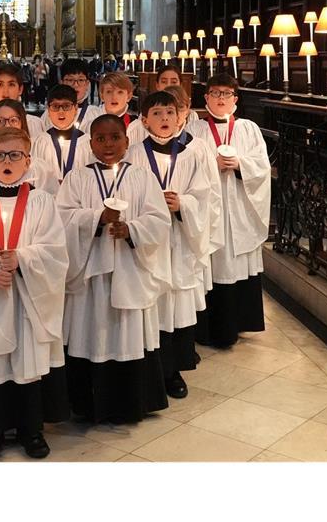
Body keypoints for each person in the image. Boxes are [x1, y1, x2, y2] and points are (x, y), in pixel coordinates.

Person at [0, 127, 70, 460]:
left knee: (26, 365)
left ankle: (30, 430)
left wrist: (23, 259)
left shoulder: (42, 201)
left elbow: (55, 249)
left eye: (15, 155)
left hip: (28, 300)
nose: (7, 162)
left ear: (29, 161)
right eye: (0, 156)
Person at [56, 114, 171, 423]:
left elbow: (159, 219)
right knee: (90, 332)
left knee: (127, 333)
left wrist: (131, 230)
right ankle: (87, 404)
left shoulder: (143, 177)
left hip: (129, 269)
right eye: (101, 139)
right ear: (90, 143)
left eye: (115, 137)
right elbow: (63, 218)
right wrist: (96, 219)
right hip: (91, 276)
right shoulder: (76, 178)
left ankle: (130, 403)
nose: (108, 144)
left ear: (126, 141)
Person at [125, 90, 221, 398]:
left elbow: (204, 196)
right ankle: (149, 370)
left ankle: (173, 371)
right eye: (156, 114)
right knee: (153, 304)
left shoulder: (191, 154)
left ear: (179, 117)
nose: (164, 119)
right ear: (144, 120)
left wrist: (183, 204)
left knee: (176, 305)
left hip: (179, 240)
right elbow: (123, 193)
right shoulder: (134, 153)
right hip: (149, 245)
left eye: (169, 113)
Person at [188, 74, 271, 348]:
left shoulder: (248, 128)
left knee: (235, 262)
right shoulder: (196, 130)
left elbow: (262, 166)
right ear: (206, 97)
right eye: (215, 93)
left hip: (238, 207)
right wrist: (213, 164)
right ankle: (208, 328)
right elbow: (187, 168)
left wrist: (240, 164)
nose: (220, 98)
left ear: (235, 98)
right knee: (212, 262)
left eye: (226, 93)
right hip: (209, 209)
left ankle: (237, 323)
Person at [0, 99, 58, 198]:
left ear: (23, 124)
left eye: (13, 120)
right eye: (0, 121)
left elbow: (50, 208)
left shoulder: (40, 169)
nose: (7, 125)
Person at [32, 84, 92, 187]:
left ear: (76, 108)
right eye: (55, 106)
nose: (61, 112)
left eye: (66, 106)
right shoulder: (39, 142)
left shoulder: (87, 143)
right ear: (48, 110)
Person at [0, 63, 45, 139]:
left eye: (11, 85)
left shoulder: (36, 124)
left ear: (20, 89)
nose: (5, 91)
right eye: (0, 85)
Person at [59, 59, 96, 130]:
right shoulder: (51, 114)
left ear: (87, 84)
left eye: (81, 80)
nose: (75, 85)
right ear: (62, 83)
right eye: (70, 80)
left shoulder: (96, 114)